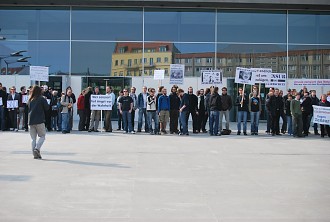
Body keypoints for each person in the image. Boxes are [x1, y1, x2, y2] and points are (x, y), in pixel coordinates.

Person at [27, 85, 49, 159]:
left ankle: (34, 153)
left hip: (31, 120)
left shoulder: (30, 99)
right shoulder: (41, 98)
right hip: (39, 120)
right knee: (42, 136)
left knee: (33, 138)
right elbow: (47, 108)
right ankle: (37, 148)